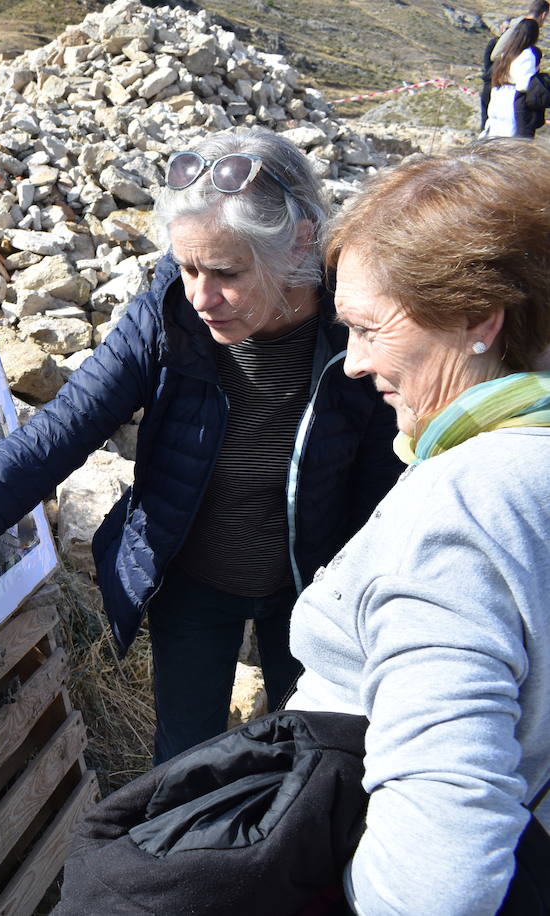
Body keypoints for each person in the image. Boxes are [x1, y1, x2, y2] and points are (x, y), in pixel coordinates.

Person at [0, 128, 404, 765]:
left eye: (226, 272)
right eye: (188, 265)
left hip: (318, 588)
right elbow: (48, 445)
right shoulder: (166, 315)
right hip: (192, 583)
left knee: (313, 762)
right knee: (182, 772)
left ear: (300, 243)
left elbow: (396, 486)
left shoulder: (356, 330)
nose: (200, 296)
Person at [285, 139, 550, 914]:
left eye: (368, 330)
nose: (356, 364)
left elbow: (440, 872)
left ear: (478, 320)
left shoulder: (463, 505)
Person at [480, 0, 549, 129]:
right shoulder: (523, 28)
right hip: (507, 95)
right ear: (544, 14)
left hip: (497, 89)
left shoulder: (517, 25)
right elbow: (523, 84)